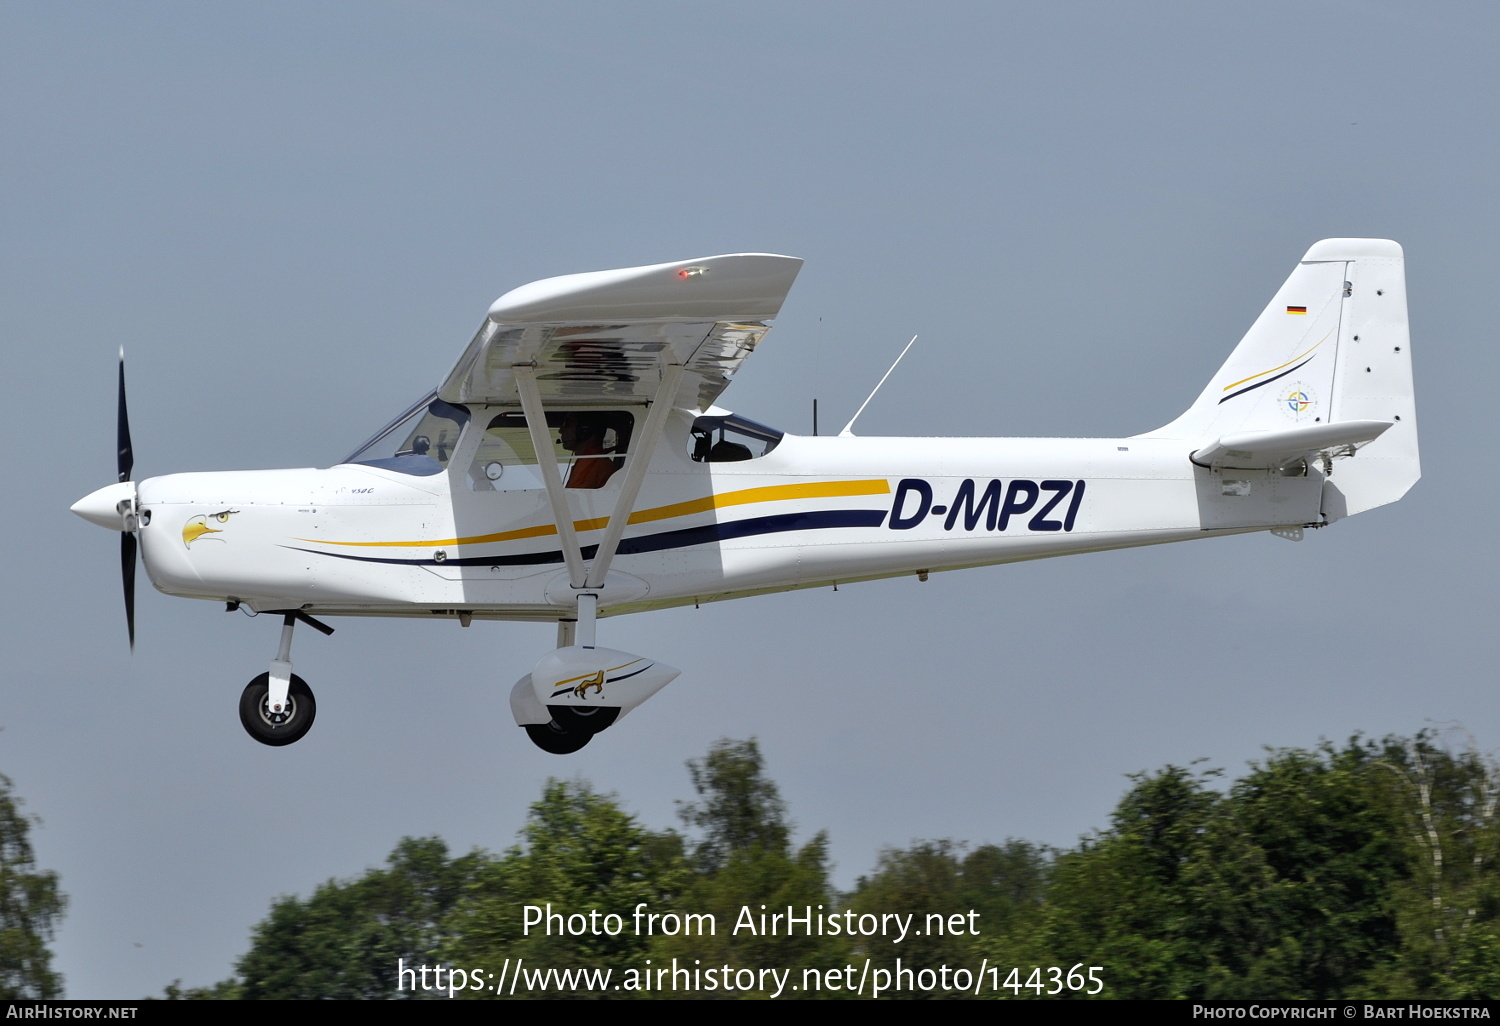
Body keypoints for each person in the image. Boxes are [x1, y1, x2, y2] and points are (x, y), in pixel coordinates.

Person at [558, 413, 618, 489]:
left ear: (584, 431)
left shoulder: (591, 464)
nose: (560, 430)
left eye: (567, 424)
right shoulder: (591, 461)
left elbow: (575, 498)